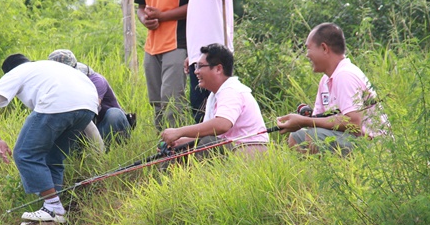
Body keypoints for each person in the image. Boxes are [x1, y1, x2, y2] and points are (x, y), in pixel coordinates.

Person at [0, 53, 99, 223]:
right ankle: (54, 210)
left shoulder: (17, 72)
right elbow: (81, 114)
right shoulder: (45, 68)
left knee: (24, 153)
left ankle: (53, 207)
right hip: (89, 103)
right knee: (54, 158)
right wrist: (99, 152)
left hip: (58, 102)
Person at [276, 23, 388, 154]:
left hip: (373, 147)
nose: (307, 55)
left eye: (308, 49)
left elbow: (354, 123)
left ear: (324, 48)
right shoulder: (325, 80)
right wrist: (301, 123)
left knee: (315, 135)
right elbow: (318, 121)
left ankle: (337, 172)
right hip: (349, 140)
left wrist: (305, 121)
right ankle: (311, 172)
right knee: (297, 136)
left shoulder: (345, 75)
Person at [168, 0, 240, 123]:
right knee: (199, 109)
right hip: (198, 57)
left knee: (213, 110)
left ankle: (216, 153)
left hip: (215, 56)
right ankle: (206, 154)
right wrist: (191, 55)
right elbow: (198, 17)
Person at [161, 43, 269, 156]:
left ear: (218, 69)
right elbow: (206, 134)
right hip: (232, 149)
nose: (196, 71)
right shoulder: (215, 95)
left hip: (249, 151)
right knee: (177, 149)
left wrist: (179, 131)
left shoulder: (231, 90)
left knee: (209, 143)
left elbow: (222, 125)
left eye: (200, 66)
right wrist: (178, 141)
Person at [135, 0, 189, 129]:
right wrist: (145, 19)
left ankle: (182, 151)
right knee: (156, 101)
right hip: (152, 46)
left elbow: (195, 7)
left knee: (172, 100)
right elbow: (139, 7)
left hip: (177, 43)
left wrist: (163, 16)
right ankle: (164, 148)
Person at [48, 49, 132, 146]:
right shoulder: (57, 85)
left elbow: (90, 110)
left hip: (105, 124)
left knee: (114, 114)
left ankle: (104, 153)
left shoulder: (96, 80)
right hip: (81, 130)